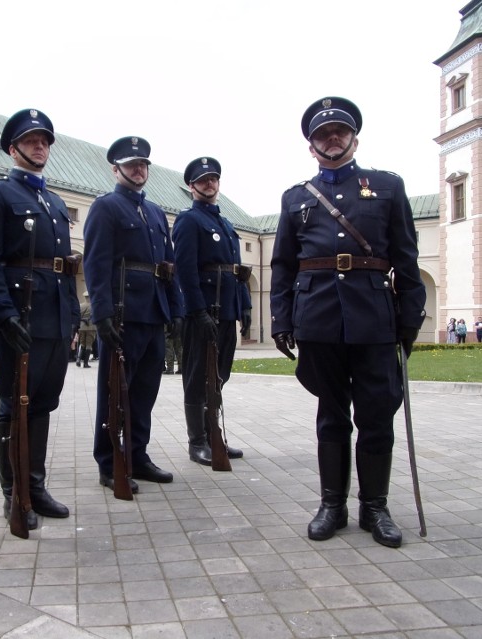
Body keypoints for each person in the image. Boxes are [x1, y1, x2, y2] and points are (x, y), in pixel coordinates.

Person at [270, 97, 426, 548]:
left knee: (377, 415)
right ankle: (332, 505)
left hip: (375, 318)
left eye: (339, 131)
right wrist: (282, 317)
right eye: (322, 134)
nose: (331, 139)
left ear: (354, 138)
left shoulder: (387, 188)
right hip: (318, 317)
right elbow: (282, 265)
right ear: (311, 145)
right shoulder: (295, 197)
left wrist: (410, 317)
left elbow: (407, 259)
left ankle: (374, 507)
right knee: (331, 416)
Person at [0, 108, 80, 530]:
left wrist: (71, 318)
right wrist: (2, 314)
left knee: (41, 406)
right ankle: (12, 491)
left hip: (52, 318)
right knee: (12, 405)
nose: (41, 146)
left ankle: (35, 485)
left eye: (45, 140)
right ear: (13, 148)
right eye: (32, 140)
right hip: (18, 317)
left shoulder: (54, 202)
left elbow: (64, 266)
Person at [83, 136, 184, 493]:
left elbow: (167, 265)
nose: (138, 169)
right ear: (116, 169)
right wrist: (103, 313)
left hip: (154, 311)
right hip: (124, 314)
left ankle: (137, 455)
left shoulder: (156, 211)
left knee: (144, 392)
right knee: (114, 391)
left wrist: (176, 309)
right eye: (131, 165)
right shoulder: (106, 207)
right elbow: (95, 264)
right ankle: (109, 462)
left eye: (143, 164)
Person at [172, 157, 250, 465]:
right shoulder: (189, 221)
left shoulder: (226, 224)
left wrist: (244, 305)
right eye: (203, 180)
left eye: (214, 178)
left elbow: (236, 271)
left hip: (226, 310)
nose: (210, 183)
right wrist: (197, 310)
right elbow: (185, 271)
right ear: (191, 186)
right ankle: (198, 442)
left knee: (218, 376)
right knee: (197, 376)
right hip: (203, 312)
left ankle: (212, 433)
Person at [77, 292, 96, 368]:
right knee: (88, 345)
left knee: (82, 344)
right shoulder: (94, 306)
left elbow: (78, 316)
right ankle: (85, 363)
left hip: (81, 327)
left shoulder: (81, 305)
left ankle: (78, 360)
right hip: (91, 327)